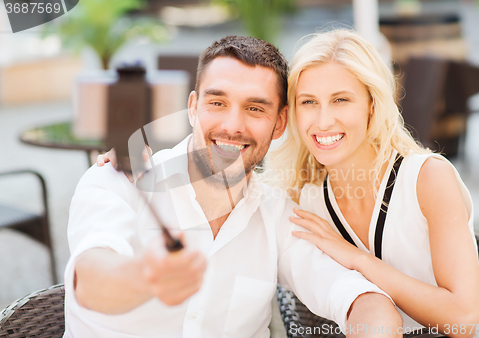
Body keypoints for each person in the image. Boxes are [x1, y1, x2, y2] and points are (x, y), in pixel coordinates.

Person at [65, 35, 403, 338]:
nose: (232, 125)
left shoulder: (276, 213)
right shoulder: (118, 179)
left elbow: (362, 300)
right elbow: (91, 279)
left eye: (255, 108)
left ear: (279, 123)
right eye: (217, 103)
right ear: (194, 107)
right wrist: (146, 277)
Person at [265, 29, 479, 337]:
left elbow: (463, 320)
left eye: (341, 99)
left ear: (372, 104)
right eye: (308, 102)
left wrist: (357, 259)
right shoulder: (304, 202)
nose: (322, 120)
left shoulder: (427, 178)